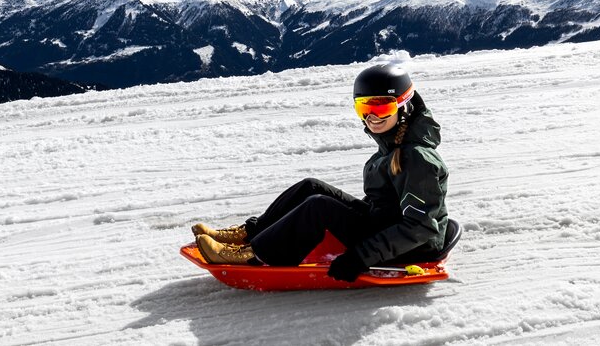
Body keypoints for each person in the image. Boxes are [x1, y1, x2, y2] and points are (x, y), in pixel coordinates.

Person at [192, 63, 449, 282]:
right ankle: (249, 235)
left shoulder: (416, 158)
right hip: (385, 223)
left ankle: (255, 256)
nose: (371, 117)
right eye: (364, 108)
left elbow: (420, 226)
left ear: (404, 108)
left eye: (381, 108)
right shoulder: (393, 144)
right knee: (311, 186)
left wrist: (361, 257)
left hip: (412, 247)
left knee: (319, 208)